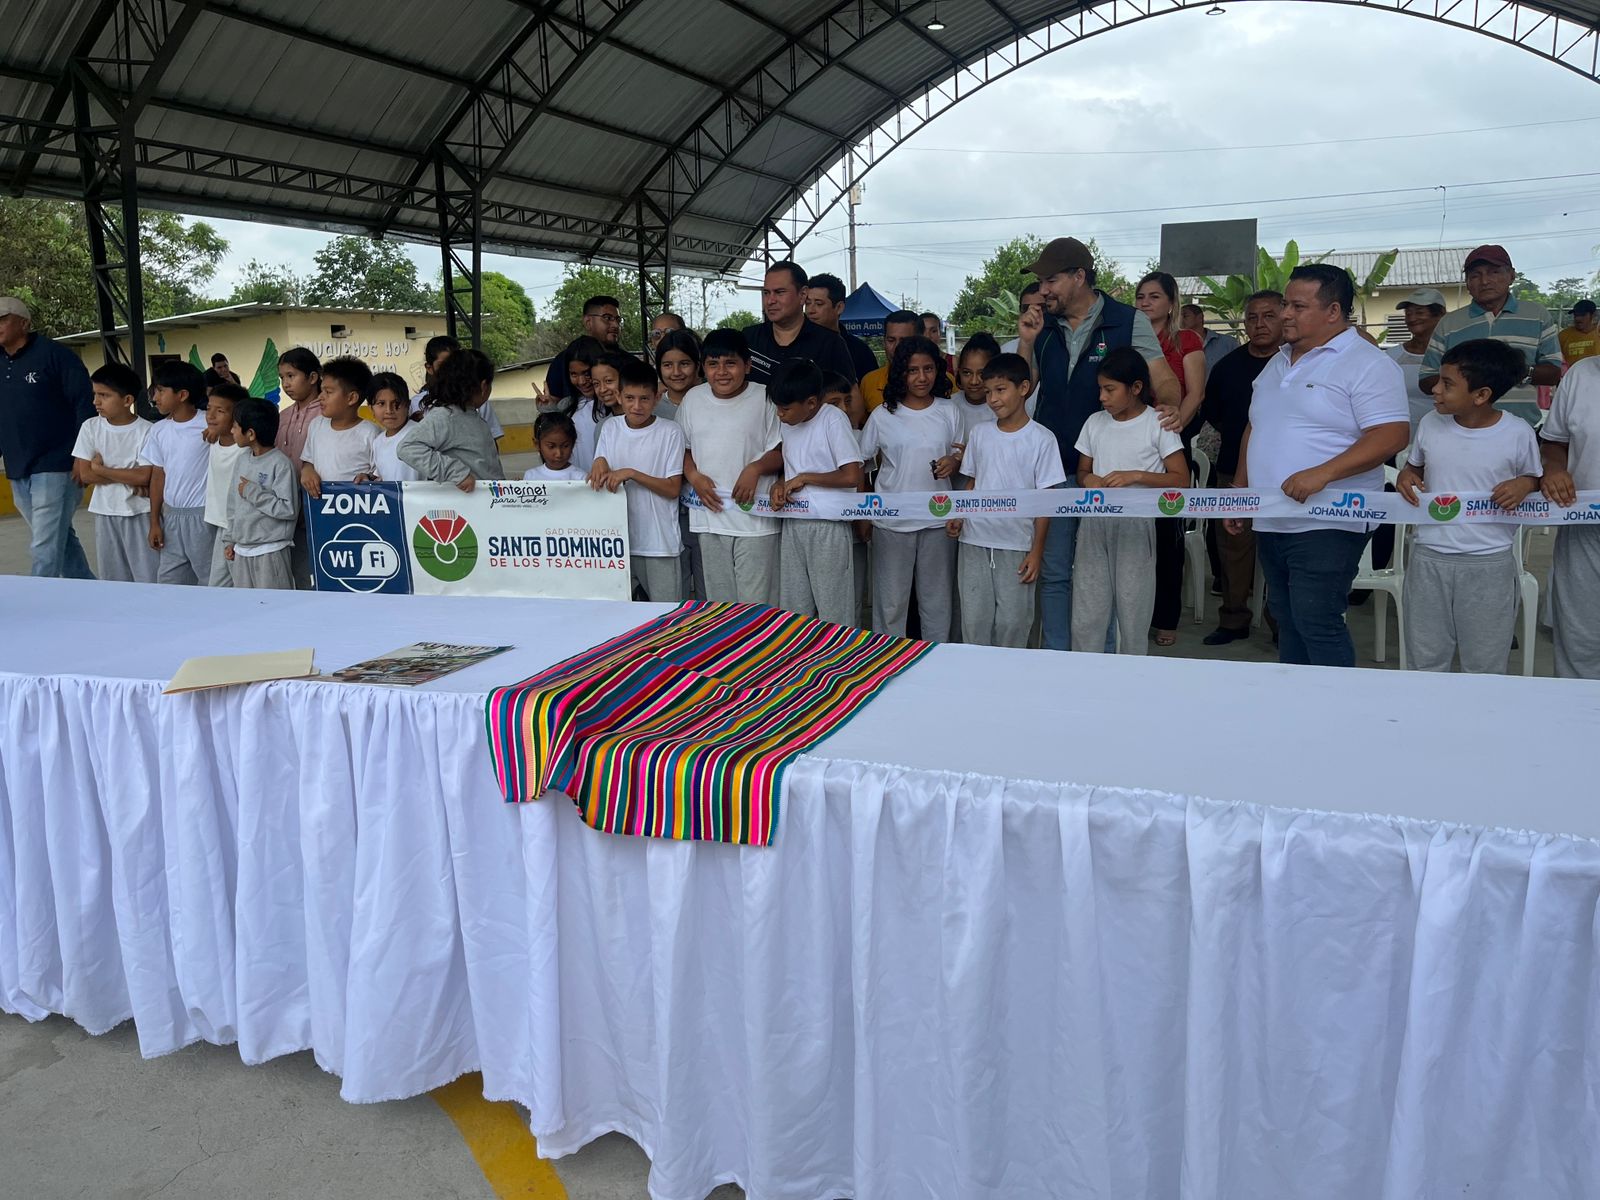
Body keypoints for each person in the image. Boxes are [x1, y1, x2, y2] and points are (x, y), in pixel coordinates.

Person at [1225, 264, 1409, 668]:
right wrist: (1241, 492)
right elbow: (1257, 426)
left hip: (1330, 517)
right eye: (1286, 304)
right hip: (1273, 514)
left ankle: (1334, 704)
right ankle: (1298, 699)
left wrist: (1323, 473)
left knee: (1317, 619)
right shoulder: (1278, 361)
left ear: (1333, 311)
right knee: (1286, 616)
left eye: (1297, 306)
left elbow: (1391, 434)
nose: (1285, 314)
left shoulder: (1367, 363)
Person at [1017, 237, 1179, 652]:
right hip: (1052, 468)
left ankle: (1101, 659)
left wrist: (1171, 407)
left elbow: (1160, 375)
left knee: (1101, 578)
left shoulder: (1127, 320)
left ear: (1079, 277)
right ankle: (1058, 655)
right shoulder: (1042, 325)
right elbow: (1023, 387)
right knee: (1055, 572)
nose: (1043, 291)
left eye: (1050, 280)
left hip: (1105, 476)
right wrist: (1027, 342)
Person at [1395, 339, 1541, 674]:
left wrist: (1525, 484)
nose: (1435, 389)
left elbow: (1534, 478)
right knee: (1425, 659)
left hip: (1489, 563)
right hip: (1429, 558)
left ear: (1481, 395)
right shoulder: (1430, 423)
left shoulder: (1517, 433)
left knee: (1485, 662)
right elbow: (1414, 467)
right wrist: (1406, 475)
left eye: (1447, 384)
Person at [1071, 348, 1189, 656]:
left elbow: (1180, 478)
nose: (1102, 397)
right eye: (1100, 389)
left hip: (1137, 527)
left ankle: (1132, 672)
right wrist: (1088, 479)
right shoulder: (1095, 423)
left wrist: (1136, 475)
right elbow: (1083, 470)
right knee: (1087, 611)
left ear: (1136, 388)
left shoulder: (1157, 423)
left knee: (1133, 612)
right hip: (1094, 524)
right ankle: (1085, 672)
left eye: (1110, 389)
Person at [947, 353, 1066, 647]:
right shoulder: (980, 434)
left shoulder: (1042, 439)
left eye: (1000, 390)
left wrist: (1036, 552)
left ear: (1024, 388)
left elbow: (1046, 501)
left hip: (1016, 544)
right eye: (989, 392)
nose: (993, 399)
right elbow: (973, 482)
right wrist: (959, 514)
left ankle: (1010, 675)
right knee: (974, 621)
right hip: (974, 540)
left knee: (1013, 622)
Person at [858, 335, 962, 639]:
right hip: (892, 520)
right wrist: (864, 512)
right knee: (891, 603)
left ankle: (937, 658)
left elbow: (961, 457)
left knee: (937, 602)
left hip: (939, 519)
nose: (921, 377)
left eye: (928, 369)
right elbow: (862, 464)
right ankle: (886, 658)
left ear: (938, 370)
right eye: (912, 370)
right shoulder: (882, 415)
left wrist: (954, 462)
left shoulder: (949, 410)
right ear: (900, 372)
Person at [1200, 290, 1284, 645]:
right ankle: (1233, 619)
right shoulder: (1227, 367)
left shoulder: (1296, 364)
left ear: (1284, 318)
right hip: (1233, 469)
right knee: (1233, 548)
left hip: (1286, 477)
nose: (1260, 324)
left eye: (1269, 316)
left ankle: (1282, 623)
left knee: (1282, 551)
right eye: (1252, 317)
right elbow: (1213, 413)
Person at [677, 328, 783, 605]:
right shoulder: (693, 399)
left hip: (756, 520)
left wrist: (755, 469)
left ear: (747, 365)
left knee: (757, 605)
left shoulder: (765, 397)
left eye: (730, 363)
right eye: (713, 364)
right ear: (703, 368)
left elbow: (782, 450)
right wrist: (693, 475)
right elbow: (682, 449)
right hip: (710, 518)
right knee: (721, 605)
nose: (722, 372)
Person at [0, 295, 96, 578]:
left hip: (57, 463)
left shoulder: (56, 356)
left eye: (3, 319)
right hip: (17, 464)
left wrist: (83, 455)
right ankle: (87, 589)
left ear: (24, 323)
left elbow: (84, 405)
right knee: (58, 539)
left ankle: (38, 598)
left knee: (44, 546)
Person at [1136, 270, 1207, 648]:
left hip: (1171, 444)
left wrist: (1175, 426)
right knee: (1131, 529)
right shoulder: (1130, 338)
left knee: (1167, 534)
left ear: (1170, 302)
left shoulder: (1186, 339)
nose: (1145, 303)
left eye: (1154, 296)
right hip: (1130, 445)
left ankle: (1165, 617)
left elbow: (1195, 392)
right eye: (1140, 297)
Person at [769, 358, 865, 626]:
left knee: (833, 610)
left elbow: (851, 476)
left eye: (785, 408)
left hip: (828, 526)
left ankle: (838, 654)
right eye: (777, 407)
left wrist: (806, 478)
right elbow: (792, 466)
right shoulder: (788, 423)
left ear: (811, 403)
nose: (780, 414)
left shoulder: (833, 419)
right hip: (794, 523)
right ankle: (798, 653)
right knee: (795, 610)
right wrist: (780, 483)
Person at [590, 356, 688, 604]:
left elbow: (672, 488)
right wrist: (598, 461)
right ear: (619, 396)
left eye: (644, 399)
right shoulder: (610, 428)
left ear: (657, 398)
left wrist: (632, 473)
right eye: (630, 398)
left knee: (667, 616)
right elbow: (600, 470)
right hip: (619, 543)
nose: (637, 406)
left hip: (660, 544)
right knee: (626, 617)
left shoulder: (670, 431)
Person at [1419, 245, 1563, 396]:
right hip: (1463, 413)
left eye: (1494, 272)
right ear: (1467, 282)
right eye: (1475, 275)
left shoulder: (1537, 315)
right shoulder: (1449, 323)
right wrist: (1466, 377)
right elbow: (1426, 379)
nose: (1484, 281)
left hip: (1522, 412)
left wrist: (1512, 370)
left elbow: (1553, 374)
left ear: (1512, 275)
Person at [1539, 354, 1600, 678]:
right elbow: (1554, 442)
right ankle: (1580, 706)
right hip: (1584, 523)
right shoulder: (1581, 374)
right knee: (1580, 639)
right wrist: (1554, 469)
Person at [70, 361, 156, 584]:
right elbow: (85, 475)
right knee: (113, 578)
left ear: (127, 400)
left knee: (147, 576)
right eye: (95, 394)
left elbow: (144, 476)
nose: (96, 402)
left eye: (104, 395)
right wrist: (129, 477)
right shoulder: (90, 427)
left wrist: (100, 469)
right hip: (105, 510)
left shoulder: (147, 431)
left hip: (140, 512)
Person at [140, 360, 214, 586]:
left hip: (203, 516)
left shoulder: (209, 424)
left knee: (210, 580)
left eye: (161, 391)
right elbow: (158, 476)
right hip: (171, 516)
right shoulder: (158, 430)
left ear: (182, 395)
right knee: (169, 581)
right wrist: (155, 521)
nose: (155, 397)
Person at [742, 261, 859, 400]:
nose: (770, 301)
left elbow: (853, 399)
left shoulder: (830, 343)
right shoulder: (748, 338)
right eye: (766, 293)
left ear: (803, 295)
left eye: (780, 292)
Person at [399, 350, 504, 490]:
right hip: (465, 502)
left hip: (489, 499)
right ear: (484, 386)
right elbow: (407, 447)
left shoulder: (473, 416)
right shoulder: (445, 416)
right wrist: (455, 472)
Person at [223, 397, 299, 590]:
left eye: (235, 426)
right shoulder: (242, 460)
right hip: (242, 551)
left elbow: (288, 509)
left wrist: (253, 492)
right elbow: (233, 505)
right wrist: (230, 539)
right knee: (245, 606)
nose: (231, 431)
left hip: (270, 551)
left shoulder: (281, 464)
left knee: (273, 606)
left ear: (250, 434)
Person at [300, 356, 378, 500]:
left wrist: (368, 477)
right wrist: (307, 470)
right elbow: (308, 460)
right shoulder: (316, 425)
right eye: (321, 391)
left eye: (328, 392)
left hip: (357, 506)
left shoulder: (371, 433)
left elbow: (378, 474)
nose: (320, 397)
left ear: (351, 398)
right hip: (320, 505)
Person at [201, 383, 249, 586]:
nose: (211, 416)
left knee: (239, 585)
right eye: (208, 408)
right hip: (219, 524)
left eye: (220, 411)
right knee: (218, 586)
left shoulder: (246, 451)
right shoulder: (213, 440)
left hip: (239, 528)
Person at [862, 309, 956, 413]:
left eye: (904, 341)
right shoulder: (869, 382)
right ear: (884, 341)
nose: (896, 348)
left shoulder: (946, 382)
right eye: (891, 340)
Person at [1385, 288, 1448, 435]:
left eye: (1419, 312)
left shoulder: (1455, 355)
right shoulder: (1391, 356)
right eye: (1408, 314)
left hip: (1444, 435)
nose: (1412, 318)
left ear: (1441, 314)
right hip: (1402, 437)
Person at [804, 271, 880, 384]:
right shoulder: (796, 343)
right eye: (807, 303)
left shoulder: (860, 351)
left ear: (839, 307)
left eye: (819, 304)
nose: (810, 310)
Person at [544, 296, 622, 400]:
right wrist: (549, 406)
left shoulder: (628, 362)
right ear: (588, 322)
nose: (616, 325)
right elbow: (553, 399)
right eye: (607, 318)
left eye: (618, 320)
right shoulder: (563, 361)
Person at [565, 336, 611, 471]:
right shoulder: (568, 408)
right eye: (574, 374)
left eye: (586, 373)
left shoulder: (615, 407)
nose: (581, 381)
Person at [367, 372, 419, 483]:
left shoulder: (419, 434)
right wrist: (369, 478)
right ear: (371, 409)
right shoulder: (378, 442)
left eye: (396, 403)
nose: (389, 411)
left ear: (408, 405)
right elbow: (383, 475)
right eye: (381, 404)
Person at [953, 333, 1002, 449]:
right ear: (958, 371)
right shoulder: (949, 406)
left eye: (982, 373)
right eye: (967, 373)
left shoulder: (1002, 409)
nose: (974, 381)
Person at [655, 328, 702, 420]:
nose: (676, 372)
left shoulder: (712, 402)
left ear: (697, 366)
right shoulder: (651, 408)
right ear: (659, 368)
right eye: (668, 365)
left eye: (684, 364)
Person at [524, 412, 585, 482]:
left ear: (573, 444)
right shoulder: (531, 477)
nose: (559, 454)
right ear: (537, 444)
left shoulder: (581, 478)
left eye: (565, 446)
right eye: (551, 446)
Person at [1181, 303, 1239, 376]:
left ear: (1199, 318)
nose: (1180, 320)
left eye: (1185, 316)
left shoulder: (1228, 343)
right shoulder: (1176, 344)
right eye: (1178, 317)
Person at [1560, 299, 1599, 366]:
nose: (1577, 318)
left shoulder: (1598, 333)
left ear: (1593, 315)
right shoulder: (1563, 335)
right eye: (1576, 315)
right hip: (1573, 372)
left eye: (1583, 315)